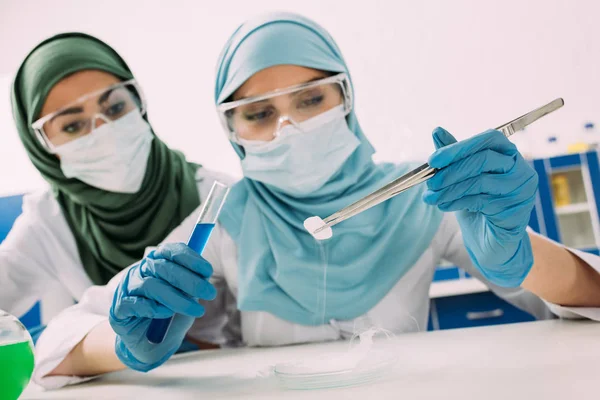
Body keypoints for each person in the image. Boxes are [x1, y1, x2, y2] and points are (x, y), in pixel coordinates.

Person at [32, 13, 600, 389]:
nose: (289, 126)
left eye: (310, 99)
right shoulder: (230, 217)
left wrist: (517, 255)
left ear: (346, 98)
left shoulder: (426, 192)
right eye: (257, 113)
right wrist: (129, 342)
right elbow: (60, 339)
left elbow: (591, 303)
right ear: (231, 130)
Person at [1, 33, 230, 321]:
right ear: (41, 148)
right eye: (72, 126)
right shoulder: (49, 224)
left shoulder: (216, 197)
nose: (104, 133)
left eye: (115, 107)